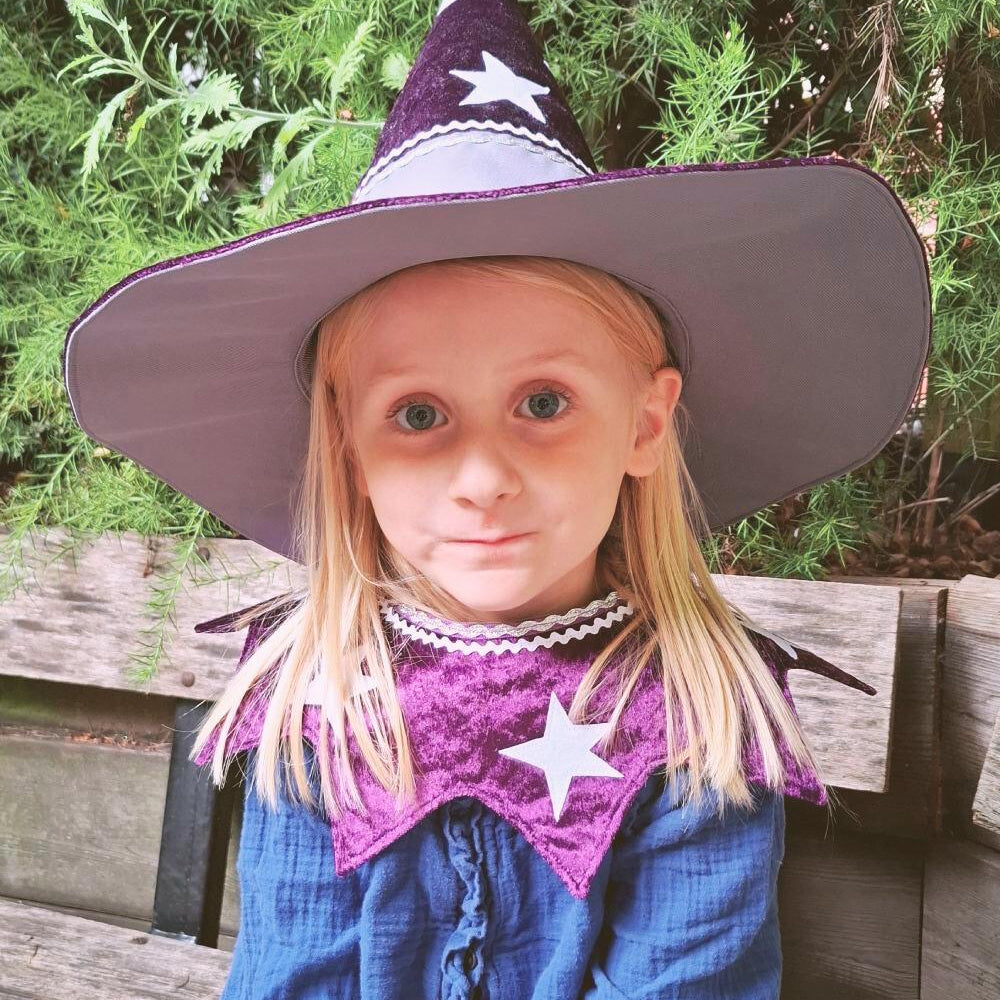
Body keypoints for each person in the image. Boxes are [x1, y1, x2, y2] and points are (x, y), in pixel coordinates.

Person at [60, 1, 930, 997]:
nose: (482, 480)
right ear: (347, 448)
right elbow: (291, 978)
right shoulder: (318, 699)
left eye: (543, 402)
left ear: (645, 423)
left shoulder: (693, 722)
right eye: (418, 414)